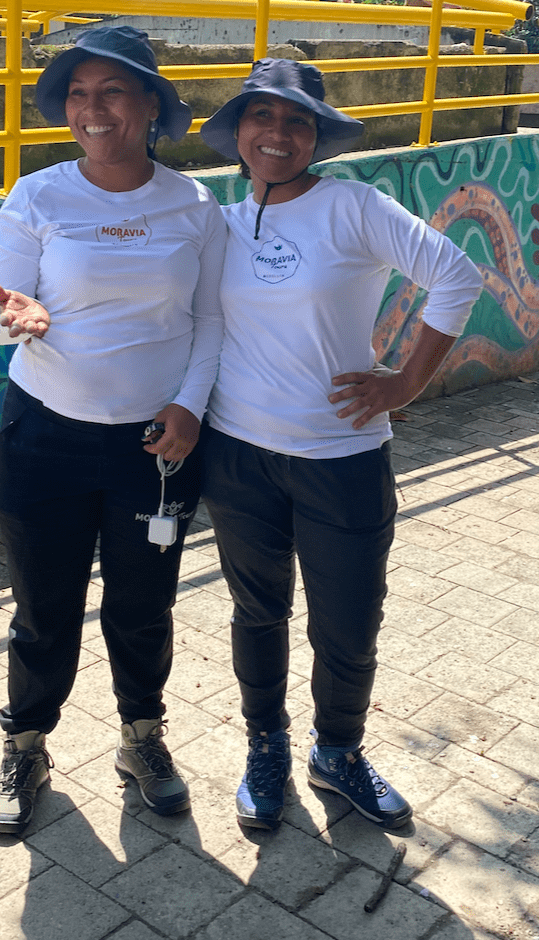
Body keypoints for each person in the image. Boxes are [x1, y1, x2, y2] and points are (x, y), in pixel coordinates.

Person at [199, 58, 483, 831]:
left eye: (298, 121)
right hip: (238, 455)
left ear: (317, 136)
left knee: (348, 622)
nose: (279, 134)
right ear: (239, 133)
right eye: (263, 117)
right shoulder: (218, 221)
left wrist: (406, 383)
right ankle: (267, 748)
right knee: (257, 613)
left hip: (341, 455)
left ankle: (339, 751)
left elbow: (458, 275)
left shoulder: (356, 207)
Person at [0, 25, 226, 836]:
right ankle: (25, 745)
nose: (93, 110)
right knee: (42, 607)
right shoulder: (38, 195)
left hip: (156, 449)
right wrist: (16, 316)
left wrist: (190, 406)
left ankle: (141, 738)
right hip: (43, 436)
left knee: (143, 603)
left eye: (113, 92)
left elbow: (211, 320)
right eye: (79, 95)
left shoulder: (193, 206)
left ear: (151, 105)